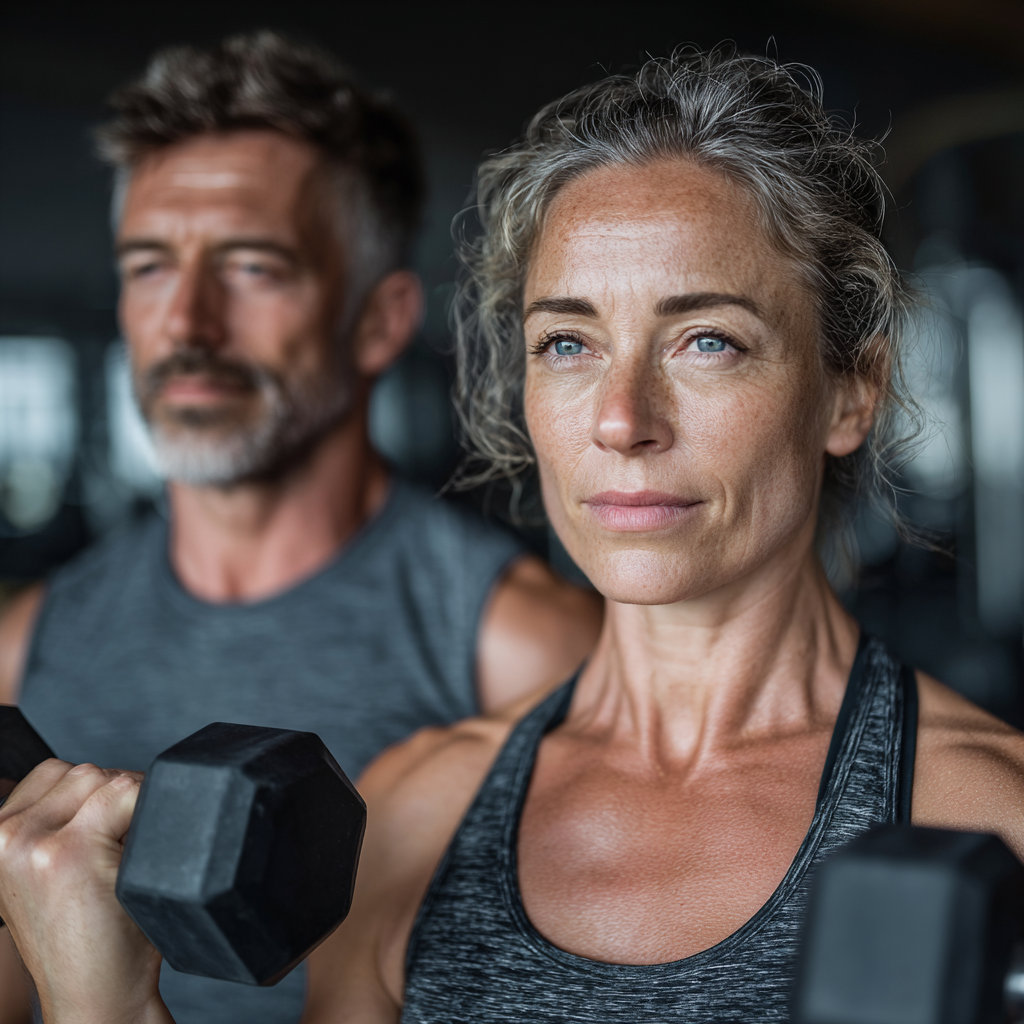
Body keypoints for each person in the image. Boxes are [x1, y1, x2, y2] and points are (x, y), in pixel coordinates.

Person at [2, 46, 1023, 1024]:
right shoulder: (416, 806)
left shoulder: (992, 817)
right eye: (567, 343)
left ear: (851, 390)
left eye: (707, 339)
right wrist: (102, 1000)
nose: (622, 419)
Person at [0, 31, 602, 1024]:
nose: (187, 321)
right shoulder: (32, 641)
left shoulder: (525, 649)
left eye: (252, 267)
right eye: (150, 266)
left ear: (379, 319)